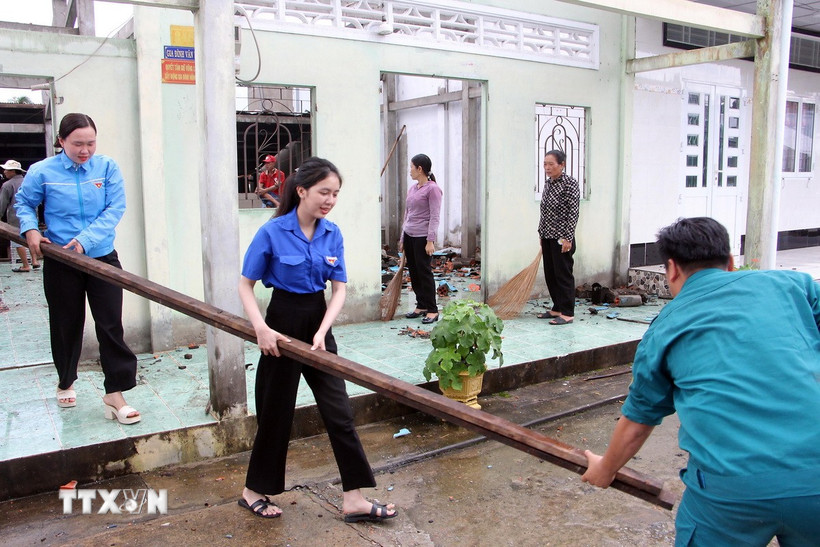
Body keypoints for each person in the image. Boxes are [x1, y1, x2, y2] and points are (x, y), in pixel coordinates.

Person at [581, 217, 820, 546]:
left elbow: (638, 421)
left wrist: (605, 469)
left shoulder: (665, 328)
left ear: (672, 269)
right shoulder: (794, 287)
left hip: (729, 491)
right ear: (731, 263)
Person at [237, 157, 397, 522]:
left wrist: (323, 331)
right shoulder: (273, 231)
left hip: (318, 324)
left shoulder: (332, 233)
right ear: (302, 190)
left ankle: (354, 498)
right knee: (276, 414)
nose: (330, 199)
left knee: (339, 412)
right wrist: (261, 328)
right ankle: (252, 491)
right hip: (280, 324)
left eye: (335, 193)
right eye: (324, 192)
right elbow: (245, 284)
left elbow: (339, 289)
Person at [14, 113, 140, 424]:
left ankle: (115, 394)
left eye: (90, 143)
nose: (85, 150)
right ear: (61, 142)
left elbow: (116, 207)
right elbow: (24, 203)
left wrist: (85, 240)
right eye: (77, 144)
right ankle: (66, 380)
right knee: (66, 323)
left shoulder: (107, 167)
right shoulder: (42, 171)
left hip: (101, 256)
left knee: (110, 324)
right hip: (61, 260)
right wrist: (30, 229)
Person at [537, 149, 580, 325]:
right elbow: (544, 211)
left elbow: (573, 212)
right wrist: (541, 233)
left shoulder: (570, 184)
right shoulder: (548, 183)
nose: (547, 168)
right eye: (545, 164)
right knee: (550, 273)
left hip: (562, 237)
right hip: (547, 235)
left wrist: (568, 237)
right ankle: (557, 307)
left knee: (563, 274)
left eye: (551, 164)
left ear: (562, 165)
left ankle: (568, 312)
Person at [399, 153, 443, 325]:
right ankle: (421, 305)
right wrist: (403, 237)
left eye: (411, 167)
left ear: (420, 169)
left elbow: (435, 216)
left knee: (424, 273)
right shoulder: (413, 188)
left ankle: (432, 309)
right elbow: (407, 213)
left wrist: (430, 240)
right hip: (410, 235)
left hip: (423, 237)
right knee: (414, 272)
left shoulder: (433, 189)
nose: (409, 170)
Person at [0, 159, 40, 272]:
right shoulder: (28, 182)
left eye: (6, 170)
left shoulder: (7, 185)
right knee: (31, 237)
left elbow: (2, 203)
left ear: (13, 171)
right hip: (32, 216)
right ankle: (35, 261)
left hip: (15, 217)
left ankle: (25, 265)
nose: (4, 172)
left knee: (17, 241)